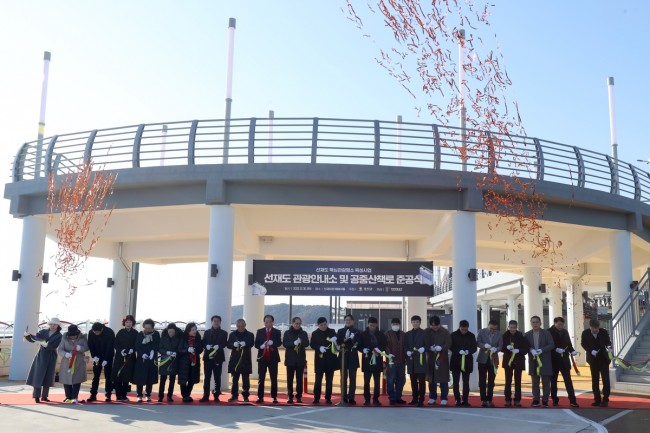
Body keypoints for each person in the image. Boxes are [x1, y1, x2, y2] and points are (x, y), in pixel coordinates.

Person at [25, 317, 62, 403]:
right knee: (38, 376)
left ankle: (44, 396)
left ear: (58, 325)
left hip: (51, 356)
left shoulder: (59, 335)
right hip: (41, 355)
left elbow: (55, 345)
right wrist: (27, 336)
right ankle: (36, 396)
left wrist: (46, 345)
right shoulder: (43, 332)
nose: (53, 326)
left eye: (55, 324)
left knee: (48, 376)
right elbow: (34, 339)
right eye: (51, 324)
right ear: (49, 324)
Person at [581, 318, 613, 407]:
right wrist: (591, 351)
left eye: (597, 328)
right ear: (590, 327)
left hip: (604, 359)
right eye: (593, 328)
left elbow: (608, 342)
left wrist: (609, 347)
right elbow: (583, 344)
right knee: (595, 380)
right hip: (593, 360)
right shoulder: (585, 333)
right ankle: (597, 399)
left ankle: (605, 399)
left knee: (606, 380)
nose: (595, 330)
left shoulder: (603, 332)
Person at [548, 317, 579, 407]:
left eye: (562, 324)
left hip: (564, 360)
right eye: (559, 324)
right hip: (553, 360)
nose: (561, 326)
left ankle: (572, 400)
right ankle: (554, 400)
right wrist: (555, 349)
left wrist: (572, 351)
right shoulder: (549, 332)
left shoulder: (565, 332)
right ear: (555, 323)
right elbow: (547, 345)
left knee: (568, 381)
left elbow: (569, 344)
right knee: (553, 382)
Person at [524, 315, 555, 407]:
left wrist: (542, 350)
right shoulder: (527, 334)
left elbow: (551, 345)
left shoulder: (546, 333)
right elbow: (525, 345)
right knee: (535, 382)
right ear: (531, 323)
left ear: (540, 323)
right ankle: (536, 399)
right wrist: (531, 350)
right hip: (533, 361)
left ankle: (545, 400)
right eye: (533, 322)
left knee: (546, 382)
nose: (535, 324)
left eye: (537, 322)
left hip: (545, 360)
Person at [309, 316, 339, 404]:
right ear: (318, 325)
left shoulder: (332, 331)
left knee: (329, 380)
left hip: (330, 359)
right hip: (320, 359)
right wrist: (319, 347)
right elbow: (312, 344)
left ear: (327, 324)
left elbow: (337, 338)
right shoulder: (315, 333)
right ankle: (316, 397)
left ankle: (328, 398)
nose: (323, 326)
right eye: (321, 325)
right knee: (318, 380)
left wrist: (335, 338)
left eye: (325, 324)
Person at [57, 324, 89, 404]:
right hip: (67, 361)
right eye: (71, 336)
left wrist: (80, 348)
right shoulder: (64, 338)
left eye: (74, 335)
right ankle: (68, 396)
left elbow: (87, 347)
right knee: (66, 379)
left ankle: (75, 397)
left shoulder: (83, 337)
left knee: (77, 379)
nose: (73, 337)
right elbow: (60, 349)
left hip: (79, 361)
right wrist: (65, 354)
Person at [424, 315, 452, 406]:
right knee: (431, 378)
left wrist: (442, 347)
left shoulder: (445, 332)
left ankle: (444, 398)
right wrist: (429, 347)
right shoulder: (427, 331)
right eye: (432, 325)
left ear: (439, 324)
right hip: (431, 358)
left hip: (442, 358)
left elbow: (449, 343)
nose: (434, 327)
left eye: (436, 325)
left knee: (443, 378)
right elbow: (423, 342)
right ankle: (432, 397)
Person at [200, 315, 229, 403]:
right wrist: (206, 346)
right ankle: (205, 395)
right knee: (207, 377)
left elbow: (224, 344)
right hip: (208, 358)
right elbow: (203, 343)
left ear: (220, 322)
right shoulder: (207, 332)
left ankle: (216, 396)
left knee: (217, 377)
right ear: (211, 322)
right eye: (214, 321)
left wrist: (219, 346)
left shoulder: (224, 333)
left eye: (218, 321)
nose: (216, 322)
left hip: (218, 358)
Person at [359, 316, 386, 406]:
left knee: (377, 382)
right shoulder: (363, 334)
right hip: (367, 360)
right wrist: (363, 350)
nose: (372, 327)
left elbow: (384, 345)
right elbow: (359, 345)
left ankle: (376, 399)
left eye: (374, 325)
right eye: (371, 325)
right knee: (366, 381)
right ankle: (367, 399)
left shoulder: (381, 334)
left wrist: (379, 349)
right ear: (368, 325)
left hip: (377, 360)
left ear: (376, 325)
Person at [255, 314, 282, 403]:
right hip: (262, 358)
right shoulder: (260, 331)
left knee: (273, 378)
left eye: (270, 322)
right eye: (266, 322)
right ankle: (260, 397)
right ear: (264, 322)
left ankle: (274, 397)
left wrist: (273, 342)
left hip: (273, 358)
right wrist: (261, 346)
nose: (268, 324)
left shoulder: (277, 332)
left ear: (273, 322)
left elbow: (279, 343)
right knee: (261, 378)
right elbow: (256, 344)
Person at [501, 320, 529, 407]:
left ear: (517, 327)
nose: (512, 329)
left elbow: (526, 349)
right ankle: (507, 399)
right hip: (508, 361)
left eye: (514, 327)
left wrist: (519, 350)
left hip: (518, 361)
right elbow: (500, 347)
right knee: (508, 380)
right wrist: (506, 347)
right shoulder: (504, 336)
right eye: (511, 327)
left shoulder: (521, 336)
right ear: (508, 327)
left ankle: (517, 400)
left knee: (518, 381)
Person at [450, 319, 477, 407]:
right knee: (456, 382)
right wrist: (458, 351)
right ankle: (457, 399)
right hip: (455, 361)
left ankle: (465, 400)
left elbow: (474, 347)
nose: (464, 331)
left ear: (468, 328)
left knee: (466, 382)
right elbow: (451, 346)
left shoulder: (471, 335)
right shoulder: (453, 335)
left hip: (467, 361)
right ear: (459, 327)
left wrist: (468, 351)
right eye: (462, 329)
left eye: (465, 330)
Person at [282, 316, 309, 404]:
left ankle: (299, 396)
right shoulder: (287, 333)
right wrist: (293, 343)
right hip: (290, 359)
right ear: (292, 323)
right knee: (289, 379)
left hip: (300, 359)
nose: (298, 325)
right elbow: (285, 344)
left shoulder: (303, 333)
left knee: (299, 379)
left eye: (299, 323)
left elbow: (307, 343)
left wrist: (301, 342)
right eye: (296, 323)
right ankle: (290, 396)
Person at [476, 319, 503, 407]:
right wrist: (484, 345)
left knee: (491, 380)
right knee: (482, 380)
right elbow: (478, 342)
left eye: (494, 329)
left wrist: (496, 349)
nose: (492, 330)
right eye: (491, 328)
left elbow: (500, 345)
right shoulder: (481, 332)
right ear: (488, 326)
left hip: (493, 359)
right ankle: (483, 400)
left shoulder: (499, 334)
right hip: (482, 358)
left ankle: (490, 399)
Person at [111, 315, 138, 402]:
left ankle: (124, 395)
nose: (128, 324)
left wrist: (133, 350)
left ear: (132, 323)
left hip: (130, 357)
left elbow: (137, 344)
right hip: (120, 356)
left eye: (130, 322)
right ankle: (118, 395)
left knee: (127, 376)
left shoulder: (135, 333)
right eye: (127, 322)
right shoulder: (120, 332)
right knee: (118, 376)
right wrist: (121, 350)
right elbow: (116, 343)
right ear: (124, 323)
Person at [227, 319, 254, 402]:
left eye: (242, 326)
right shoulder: (232, 334)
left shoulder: (250, 334)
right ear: (236, 326)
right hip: (235, 360)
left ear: (245, 325)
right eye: (238, 326)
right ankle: (234, 395)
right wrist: (233, 345)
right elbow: (228, 345)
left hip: (245, 359)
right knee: (234, 379)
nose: (240, 328)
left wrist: (245, 344)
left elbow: (252, 343)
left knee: (246, 379)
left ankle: (245, 396)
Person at [133, 318, 160, 402]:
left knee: (150, 377)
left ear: (152, 327)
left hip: (152, 358)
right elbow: (137, 346)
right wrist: (142, 354)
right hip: (141, 359)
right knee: (140, 377)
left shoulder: (156, 334)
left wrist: (153, 351)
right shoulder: (140, 334)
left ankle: (148, 394)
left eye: (149, 328)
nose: (147, 329)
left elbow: (157, 344)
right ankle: (139, 395)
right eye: (146, 328)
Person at [87, 321, 115, 402]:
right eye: (94, 332)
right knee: (96, 376)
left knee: (108, 376)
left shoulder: (109, 332)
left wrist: (106, 359)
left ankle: (108, 394)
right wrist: (94, 356)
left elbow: (110, 347)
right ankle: (93, 394)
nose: (96, 333)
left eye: (97, 332)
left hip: (108, 356)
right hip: (97, 357)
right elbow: (90, 345)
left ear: (102, 329)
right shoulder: (91, 332)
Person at [336, 314, 361, 404]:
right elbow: (338, 342)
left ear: (353, 321)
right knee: (343, 378)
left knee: (352, 378)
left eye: (350, 320)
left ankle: (351, 398)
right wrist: (344, 340)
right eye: (346, 320)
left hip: (353, 356)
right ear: (344, 321)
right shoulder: (340, 331)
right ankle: (343, 397)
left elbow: (359, 343)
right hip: (343, 356)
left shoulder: (357, 331)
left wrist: (353, 339)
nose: (348, 321)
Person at [405, 315, 427, 407]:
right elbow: (405, 345)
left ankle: (421, 399)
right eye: (413, 322)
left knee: (421, 381)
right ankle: (414, 398)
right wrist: (406, 351)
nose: (415, 324)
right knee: (413, 381)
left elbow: (428, 344)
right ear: (411, 323)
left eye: (417, 322)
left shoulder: (424, 333)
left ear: (420, 322)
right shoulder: (408, 334)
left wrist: (424, 348)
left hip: (420, 360)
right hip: (411, 361)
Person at [178, 322, 203, 402]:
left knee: (192, 379)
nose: (194, 331)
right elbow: (179, 349)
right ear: (188, 330)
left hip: (194, 362)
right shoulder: (183, 338)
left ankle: (188, 395)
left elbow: (201, 349)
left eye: (195, 329)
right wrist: (187, 350)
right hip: (184, 362)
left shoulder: (198, 338)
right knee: (183, 379)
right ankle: (184, 395)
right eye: (193, 330)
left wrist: (195, 350)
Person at [384, 317, 407, 405]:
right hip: (391, 361)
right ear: (391, 325)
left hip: (401, 360)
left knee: (401, 380)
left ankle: (398, 397)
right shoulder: (387, 334)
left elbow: (405, 345)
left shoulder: (403, 334)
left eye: (397, 324)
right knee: (391, 379)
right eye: (394, 324)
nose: (395, 326)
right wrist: (388, 353)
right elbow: (385, 345)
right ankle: (392, 397)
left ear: (399, 325)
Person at [158, 323, 183, 402]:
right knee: (162, 380)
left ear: (175, 331)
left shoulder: (178, 338)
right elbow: (159, 348)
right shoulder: (163, 338)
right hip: (164, 361)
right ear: (167, 331)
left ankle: (169, 396)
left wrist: (176, 353)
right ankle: (160, 396)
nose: (171, 333)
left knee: (172, 380)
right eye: (169, 332)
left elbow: (180, 348)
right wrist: (166, 352)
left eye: (172, 332)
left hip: (173, 361)